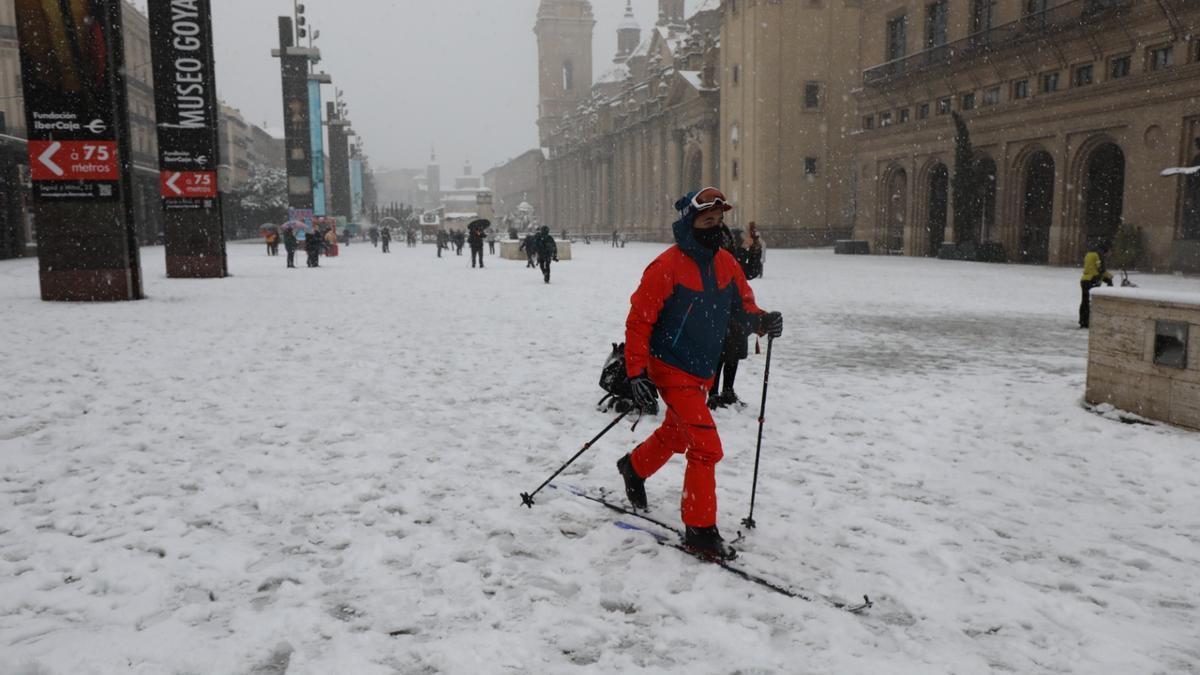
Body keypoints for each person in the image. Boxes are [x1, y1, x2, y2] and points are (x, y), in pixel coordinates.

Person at [616, 187, 783, 559]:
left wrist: (763, 322)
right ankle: (700, 529)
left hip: (702, 369)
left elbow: (744, 307)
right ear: (690, 222)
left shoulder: (726, 263)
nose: (716, 227)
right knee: (706, 446)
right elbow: (639, 322)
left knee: (676, 434)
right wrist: (637, 372)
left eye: (720, 221)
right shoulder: (666, 266)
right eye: (708, 221)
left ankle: (633, 468)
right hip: (670, 365)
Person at [708, 227, 758, 409]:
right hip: (718, 308)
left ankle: (727, 391)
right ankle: (712, 392)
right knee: (718, 355)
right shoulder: (717, 242)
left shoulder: (731, 248)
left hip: (735, 309)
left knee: (733, 352)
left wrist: (752, 249)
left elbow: (749, 272)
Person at [1079, 239, 1114, 328]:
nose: (1110, 254)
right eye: (1110, 251)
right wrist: (1109, 277)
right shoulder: (1099, 254)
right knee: (1091, 302)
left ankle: (1083, 321)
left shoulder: (1089, 253)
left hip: (1084, 280)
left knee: (1085, 301)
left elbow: (1092, 268)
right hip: (1092, 281)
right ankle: (1088, 322)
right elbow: (1101, 270)